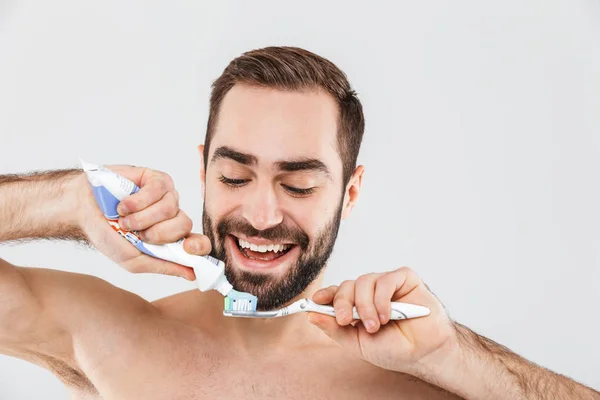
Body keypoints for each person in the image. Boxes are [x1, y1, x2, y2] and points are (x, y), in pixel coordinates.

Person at [0, 46, 597, 400]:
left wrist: (458, 357)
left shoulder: (421, 371)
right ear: (202, 168)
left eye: (299, 185)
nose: (261, 217)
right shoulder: (115, 339)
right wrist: (69, 202)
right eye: (235, 177)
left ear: (350, 191)